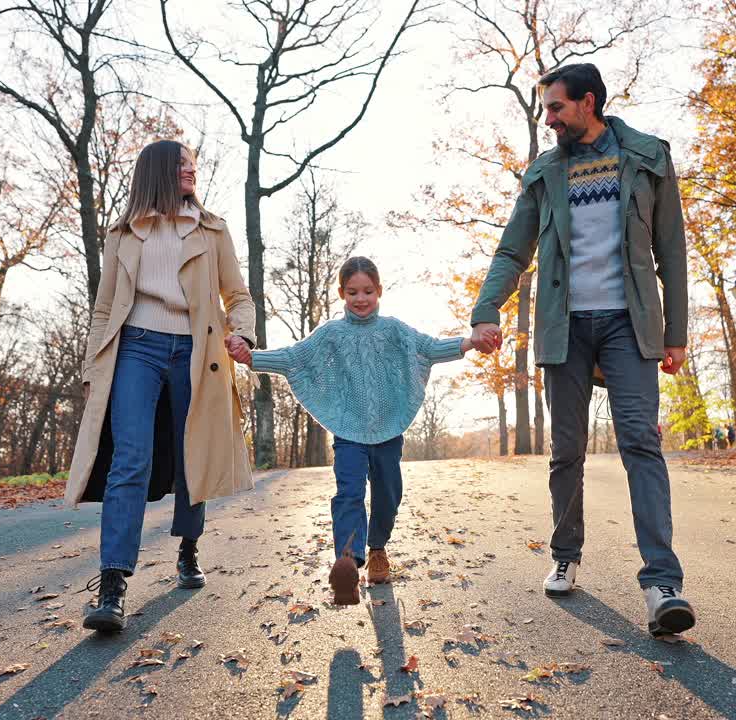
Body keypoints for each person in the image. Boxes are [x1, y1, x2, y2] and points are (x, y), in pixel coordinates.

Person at [467, 63, 696, 637]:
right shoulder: (544, 174)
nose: (549, 119)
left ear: (587, 103)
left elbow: (672, 248)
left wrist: (676, 333)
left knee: (641, 443)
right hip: (563, 326)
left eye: (556, 108)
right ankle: (566, 552)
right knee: (566, 449)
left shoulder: (646, 157)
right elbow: (510, 252)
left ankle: (662, 584)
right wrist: (485, 309)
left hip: (630, 323)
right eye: (546, 109)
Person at [66, 139, 257, 633]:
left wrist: (243, 332)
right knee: (131, 457)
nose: (191, 170)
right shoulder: (125, 234)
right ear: (157, 172)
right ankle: (112, 585)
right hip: (135, 348)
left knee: (192, 453)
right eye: (181, 165)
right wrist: (93, 369)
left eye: (193, 164)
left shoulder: (212, 229)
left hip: (196, 352)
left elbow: (237, 294)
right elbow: (105, 307)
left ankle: (188, 547)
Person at [229, 257, 471, 605]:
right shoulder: (331, 334)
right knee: (349, 493)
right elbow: (294, 358)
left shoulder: (394, 330)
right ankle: (347, 560)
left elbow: (428, 348)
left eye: (368, 291)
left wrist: (469, 342)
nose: (361, 298)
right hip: (349, 432)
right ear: (342, 293)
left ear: (379, 291)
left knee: (389, 495)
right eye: (353, 292)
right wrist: (251, 357)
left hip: (388, 429)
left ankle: (377, 549)